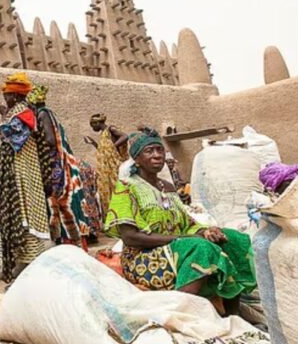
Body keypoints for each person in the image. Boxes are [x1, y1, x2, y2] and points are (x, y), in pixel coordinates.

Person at [105, 128, 256, 315]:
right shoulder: (127, 187)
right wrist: (181, 239)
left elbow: (186, 223)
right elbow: (130, 237)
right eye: (149, 151)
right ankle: (180, 313)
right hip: (143, 258)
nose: (157, 155)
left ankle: (234, 315)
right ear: (136, 159)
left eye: (159, 150)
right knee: (200, 248)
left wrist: (206, 231)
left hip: (177, 246)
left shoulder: (167, 187)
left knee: (231, 238)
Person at [0, 73, 50, 281]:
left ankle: (30, 260)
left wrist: (3, 120)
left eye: (7, 94)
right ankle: (21, 260)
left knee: (25, 208)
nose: (4, 98)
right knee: (17, 209)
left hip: (22, 168)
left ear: (15, 96)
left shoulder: (24, 113)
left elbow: (15, 138)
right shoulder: (16, 112)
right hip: (14, 167)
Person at [27, 85, 89, 250]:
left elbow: (50, 140)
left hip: (59, 168)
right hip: (61, 166)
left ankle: (70, 246)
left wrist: (33, 136)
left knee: (62, 206)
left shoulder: (43, 114)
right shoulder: (49, 114)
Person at [84, 114, 128, 215]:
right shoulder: (103, 134)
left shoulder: (110, 129)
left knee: (118, 187)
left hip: (114, 167)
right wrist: (94, 143)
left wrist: (112, 147)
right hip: (106, 169)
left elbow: (125, 136)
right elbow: (103, 150)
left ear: (97, 123)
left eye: (93, 125)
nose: (93, 128)